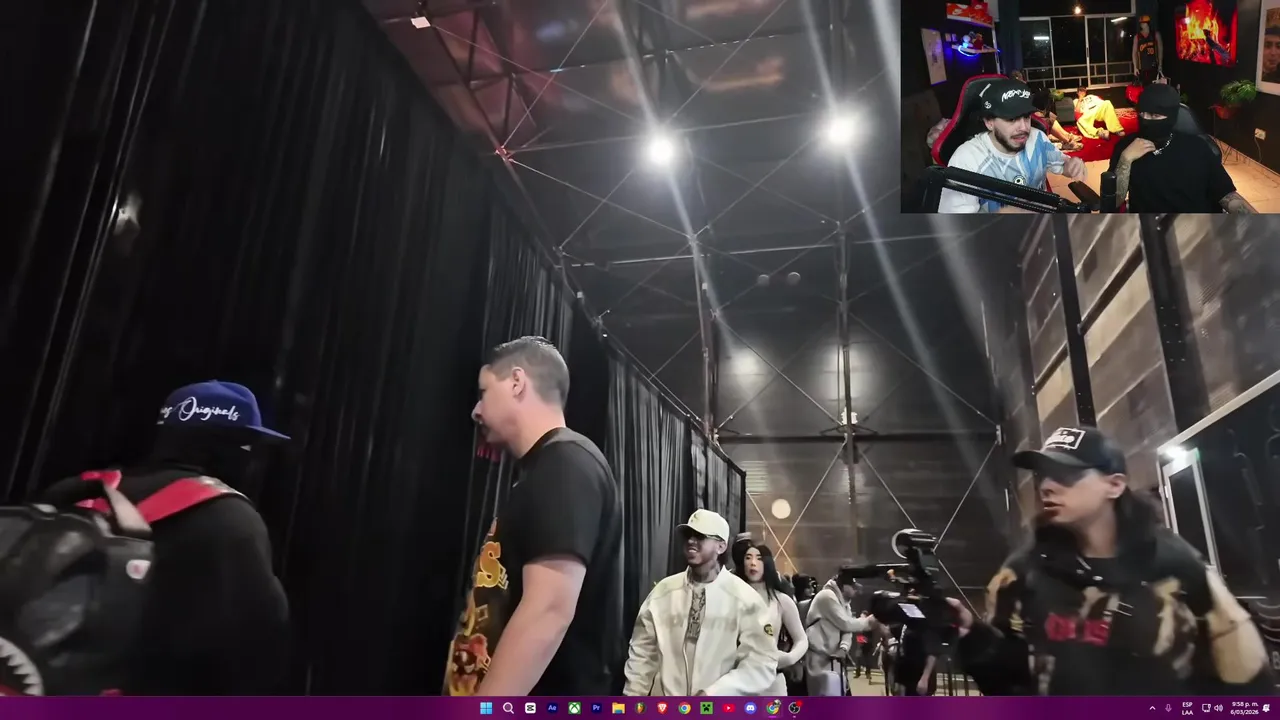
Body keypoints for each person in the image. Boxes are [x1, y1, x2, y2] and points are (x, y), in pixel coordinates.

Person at [948, 426, 1275, 695]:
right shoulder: (1022, 572)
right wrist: (973, 636)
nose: (1046, 486)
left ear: (1115, 485)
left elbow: (1247, 679)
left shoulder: (1176, 567)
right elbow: (1009, 681)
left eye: (1065, 475)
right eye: (1043, 475)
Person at [42, 380, 291, 694]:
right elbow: (258, 646)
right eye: (250, 448)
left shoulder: (75, 491)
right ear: (228, 448)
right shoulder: (230, 518)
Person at [446, 337, 623, 696]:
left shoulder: (565, 465)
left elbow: (549, 611)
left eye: (484, 392)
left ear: (516, 382)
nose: (476, 410)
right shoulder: (549, 467)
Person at [622, 509, 777, 696]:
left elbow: (761, 662)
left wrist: (715, 693)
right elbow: (642, 653)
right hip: (666, 707)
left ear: (721, 546)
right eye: (688, 535)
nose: (691, 541)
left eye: (700, 536)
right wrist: (631, 699)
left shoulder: (744, 598)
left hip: (717, 708)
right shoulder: (663, 592)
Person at [939, 78, 1087, 213]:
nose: (1024, 127)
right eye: (1011, 119)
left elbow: (1062, 164)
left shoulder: (1037, 138)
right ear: (989, 122)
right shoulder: (966, 160)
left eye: (1026, 117)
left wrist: (1072, 165)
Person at [1109, 84, 1254, 213]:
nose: (1146, 120)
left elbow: (1226, 194)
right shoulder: (1125, 146)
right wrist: (1125, 159)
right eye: (1142, 114)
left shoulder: (1198, 147)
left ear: (1171, 117)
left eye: (1155, 115)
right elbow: (1113, 202)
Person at [733, 543, 808, 694]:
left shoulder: (781, 600)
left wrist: (789, 658)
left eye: (759, 558)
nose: (753, 563)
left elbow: (801, 639)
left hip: (772, 681)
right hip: (738, 679)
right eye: (748, 558)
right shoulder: (732, 598)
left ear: (767, 563)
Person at [804, 568, 877, 695]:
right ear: (844, 586)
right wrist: (868, 622)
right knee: (820, 700)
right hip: (818, 658)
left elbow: (847, 630)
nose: (856, 590)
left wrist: (843, 648)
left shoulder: (845, 603)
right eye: (853, 586)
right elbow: (846, 624)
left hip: (834, 659)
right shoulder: (827, 596)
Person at [895, 623, 942, 696]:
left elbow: (932, 654)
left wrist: (924, 679)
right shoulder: (906, 623)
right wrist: (898, 680)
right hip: (905, 678)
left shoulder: (928, 624)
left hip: (919, 679)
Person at [1132, 16, 1163, 86]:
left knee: (1154, 87)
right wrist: (1135, 67)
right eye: (1140, 23)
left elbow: (1160, 50)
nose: (1141, 24)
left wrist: (1160, 64)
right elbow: (1134, 53)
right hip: (1142, 68)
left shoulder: (1156, 34)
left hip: (1153, 67)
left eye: (1143, 23)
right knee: (1143, 88)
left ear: (1147, 23)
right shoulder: (1137, 37)